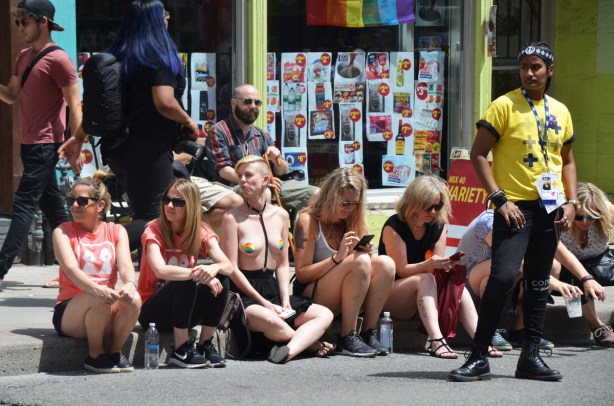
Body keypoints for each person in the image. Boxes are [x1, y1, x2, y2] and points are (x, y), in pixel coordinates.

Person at [450, 42, 577, 382]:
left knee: (537, 283)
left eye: (536, 66)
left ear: (549, 71)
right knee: (503, 277)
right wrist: (499, 199)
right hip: (513, 210)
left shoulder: (561, 111)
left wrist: (572, 201)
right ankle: (478, 355)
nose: (529, 72)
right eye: (524, 67)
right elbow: (478, 154)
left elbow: (567, 161)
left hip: (550, 209)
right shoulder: (503, 106)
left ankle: (530, 357)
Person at [63, 0, 200, 257]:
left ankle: (149, 275)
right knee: (156, 217)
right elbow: (164, 101)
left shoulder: (121, 58)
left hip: (119, 150)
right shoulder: (158, 59)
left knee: (146, 213)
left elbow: (101, 109)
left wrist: (78, 137)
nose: (168, 20)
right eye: (165, 15)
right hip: (148, 150)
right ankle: (91, 253)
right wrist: (188, 121)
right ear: (158, 21)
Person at [0, 0, 82, 288]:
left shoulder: (59, 59)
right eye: (18, 22)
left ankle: (0, 268)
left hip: (46, 144)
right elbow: (11, 95)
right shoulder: (24, 56)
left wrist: (77, 143)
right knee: (54, 209)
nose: (20, 27)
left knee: (23, 204)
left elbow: (75, 104)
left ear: (43, 21)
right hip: (29, 143)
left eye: (25, 21)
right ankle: (79, 266)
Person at [221, 156, 334, 363]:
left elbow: (282, 264)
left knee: (324, 314)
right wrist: (263, 302)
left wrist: (284, 299)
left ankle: (288, 351)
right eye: (240, 177)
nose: (243, 181)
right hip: (244, 294)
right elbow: (232, 269)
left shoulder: (281, 215)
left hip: (272, 288)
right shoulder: (232, 218)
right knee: (269, 319)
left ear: (265, 180)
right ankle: (311, 345)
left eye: (248, 175)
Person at [378, 175, 501, 359]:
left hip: (424, 291)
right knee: (426, 278)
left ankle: (481, 340)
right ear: (414, 202)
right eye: (428, 206)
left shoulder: (438, 226)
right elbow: (401, 270)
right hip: (392, 295)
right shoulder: (395, 226)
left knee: (455, 280)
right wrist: (429, 265)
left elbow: (436, 265)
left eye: (438, 206)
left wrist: (445, 265)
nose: (433, 212)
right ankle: (437, 341)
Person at [293, 167, 395, 357]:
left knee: (386, 263)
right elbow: (302, 273)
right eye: (345, 202)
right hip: (311, 296)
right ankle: (348, 334)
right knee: (360, 261)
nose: (349, 208)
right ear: (330, 196)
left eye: (354, 203)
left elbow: (365, 268)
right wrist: (337, 258)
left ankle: (368, 332)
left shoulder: (353, 219)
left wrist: (367, 253)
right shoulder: (308, 220)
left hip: (347, 292)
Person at [459, 210, 593, 350]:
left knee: (553, 265)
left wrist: (587, 279)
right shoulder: (489, 221)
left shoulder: (534, 219)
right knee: (497, 269)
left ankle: (520, 330)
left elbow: (560, 251)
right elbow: (509, 260)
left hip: (507, 277)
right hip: (467, 285)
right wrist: (555, 283)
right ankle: (490, 330)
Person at [137, 178, 234, 368]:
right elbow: (160, 270)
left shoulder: (200, 230)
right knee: (184, 279)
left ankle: (205, 344)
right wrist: (196, 273)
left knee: (221, 277)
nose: (170, 205)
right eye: (167, 200)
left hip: (184, 308)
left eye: (178, 202)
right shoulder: (154, 229)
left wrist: (214, 268)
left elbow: (228, 266)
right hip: (153, 312)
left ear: (191, 206)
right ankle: (180, 350)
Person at [52, 173, 141, 373]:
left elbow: (126, 266)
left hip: (104, 305)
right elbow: (71, 269)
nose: (74, 205)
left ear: (99, 206)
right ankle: (95, 355)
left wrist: (130, 284)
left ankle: (115, 352)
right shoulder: (63, 231)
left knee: (134, 299)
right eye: (71, 200)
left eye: (82, 201)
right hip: (70, 312)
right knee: (98, 296)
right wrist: (96, 289)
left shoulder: (116, 231)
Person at [206, 83, 317, 216]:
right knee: (264, 193)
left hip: (268, 185)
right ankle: (267, 235)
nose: (253, 106)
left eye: (256, 102)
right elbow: (223, 170)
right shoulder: (219, 131)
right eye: (247, 101)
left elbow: (283, 170)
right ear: (233, 102)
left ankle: (305, 235)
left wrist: (276, 160)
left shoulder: (262, 135)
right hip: (234, 189)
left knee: (317, 195)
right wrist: (258, 182)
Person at [556, 182, 614, 346]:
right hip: (567, 266)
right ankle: (597, 327)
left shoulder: (607, 212)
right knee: (575, 281)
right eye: (580, 217)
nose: (586, 222)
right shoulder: (560, 216)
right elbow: (559, 252)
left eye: (592, 216)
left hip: (600, 262)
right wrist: (586, 278)